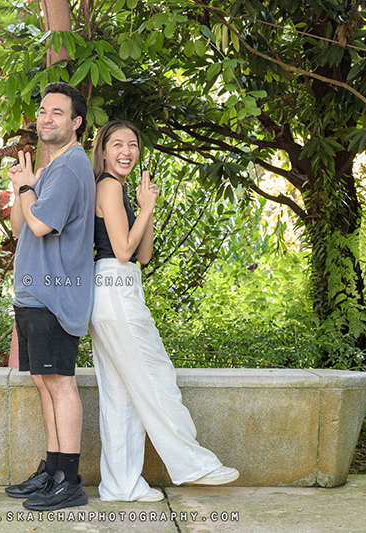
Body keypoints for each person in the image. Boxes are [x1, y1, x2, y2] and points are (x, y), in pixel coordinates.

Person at [89, 120, 240, 502]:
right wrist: (147, 207)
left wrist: (146, 210)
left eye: (133, 145)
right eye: (118, 144)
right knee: (157, 377)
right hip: (115, 289)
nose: (127, 151)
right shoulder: (107, 186)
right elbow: (123, 251)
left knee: (122, 396)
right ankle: (194, 463)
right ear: (103, 150)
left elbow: (144, 253)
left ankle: (120, 485)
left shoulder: (119, 190)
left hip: (118, 286)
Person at [4, 82, 95, 511]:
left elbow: (40, 226)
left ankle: (70, 481)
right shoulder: (52, 169)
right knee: (45, 382)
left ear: (75, 122)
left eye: (57, 112)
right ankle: (54, 470)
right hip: (34, 294)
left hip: (56, 296)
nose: (46, 118)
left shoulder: (72, 166)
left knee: (60, 383)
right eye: (42, 111)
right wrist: (22, 187)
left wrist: (27, 189)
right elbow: (19, 227)